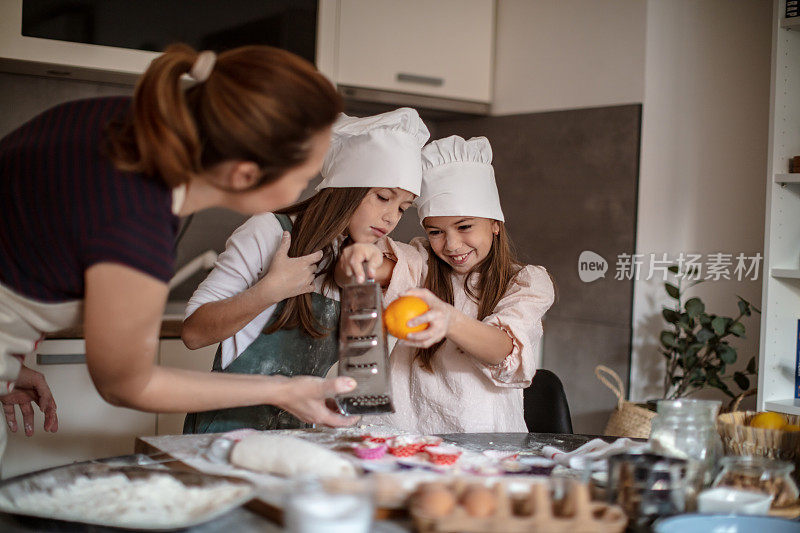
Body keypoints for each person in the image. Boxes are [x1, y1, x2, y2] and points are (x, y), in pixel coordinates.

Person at [0, 43, 358, 460]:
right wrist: (285, 389)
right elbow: (124, 384)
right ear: (245, 174)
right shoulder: (136, 224)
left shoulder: (115, 119)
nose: (303, 192)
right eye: (305, 178)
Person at [181, 109, 430, 432]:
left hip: (296, 440)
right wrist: (270, 290)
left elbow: (360, 377)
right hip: (224, 432)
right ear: (345, 190)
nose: (391, 218)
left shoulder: (360, 257)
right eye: (383, 197)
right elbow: (192, 333)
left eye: (401, 208)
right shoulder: (269, 232)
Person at [338, 136, 555, 433]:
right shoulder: (422, 264)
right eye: (436, 231)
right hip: (402, 439)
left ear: (495, 223)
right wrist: (359, 257)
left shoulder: (526, 282)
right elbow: (370, 270)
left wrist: (448, 319)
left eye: (465, 226)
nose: (451, 245)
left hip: (485, 448)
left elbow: (505, 351)